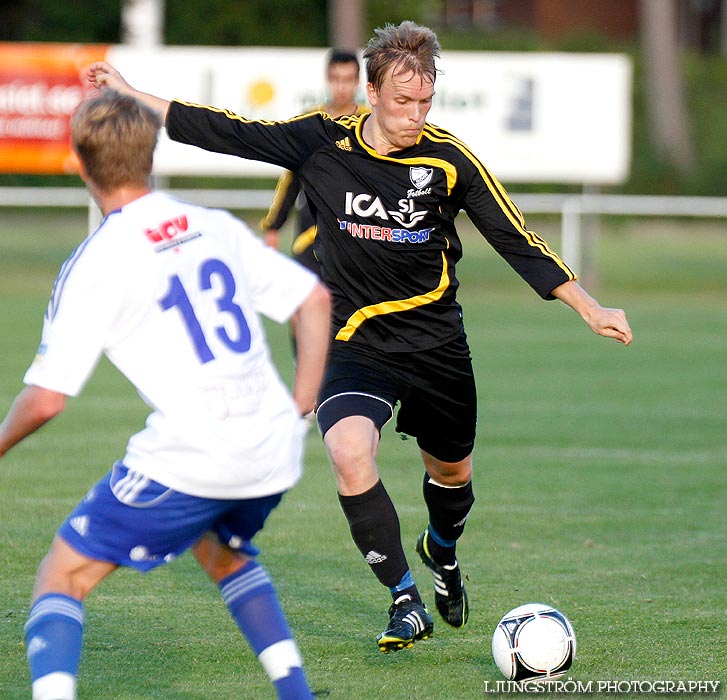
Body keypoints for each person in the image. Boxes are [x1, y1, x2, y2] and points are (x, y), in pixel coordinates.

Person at [87, 20, 633, 654]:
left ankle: (443, 550)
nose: (415, 115)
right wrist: (130, 93)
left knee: (452, 475)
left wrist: (587, 306)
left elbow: (514, 236)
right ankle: (405, 598)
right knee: (348, 451)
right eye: (404, 102)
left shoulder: (448, 159)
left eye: (426, 102)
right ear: (373, 92)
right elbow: (230, 131)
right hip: (354, 339)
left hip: (435, 345)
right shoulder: (321, 143)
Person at [0, 91, 331, 700]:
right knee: (222, 550)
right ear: (151, 154)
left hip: (198, 452)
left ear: (79, 162)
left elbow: (47, 400)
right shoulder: (213, 224)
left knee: (62, 575)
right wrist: (300, 405)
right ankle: (296, 692)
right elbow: (313, 300)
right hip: (273, 448)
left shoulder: (97, 261)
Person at [260, 48, 368, 271]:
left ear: (357, 81)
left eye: (348, 79)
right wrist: (274, 226)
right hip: (311, 233)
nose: (341, 87)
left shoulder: (370, 123)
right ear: (327, 79)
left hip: (356, 235)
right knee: (308, 301)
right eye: (336, 79)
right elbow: (291, 178)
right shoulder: (310, 122)